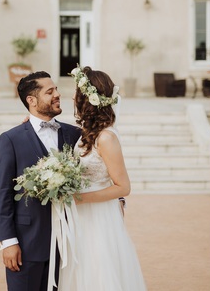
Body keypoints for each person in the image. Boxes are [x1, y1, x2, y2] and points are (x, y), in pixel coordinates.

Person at [58, 66, 147, 290]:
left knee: (98, 270)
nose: (71, 96)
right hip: (82, 216)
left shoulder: (106, 137)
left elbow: (123, 186)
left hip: (98, 216)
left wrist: (80, 197)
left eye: (76, 92)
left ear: (87, 98)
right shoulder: (88, 132)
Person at [0, 72, 82, 291]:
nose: (57, 95)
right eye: (49, 91)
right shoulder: (11, 139)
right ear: (31, 100)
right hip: (27, 244)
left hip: (68, 246)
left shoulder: (75, 134)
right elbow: (3, 193)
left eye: (57, 90)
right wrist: (8, 241)